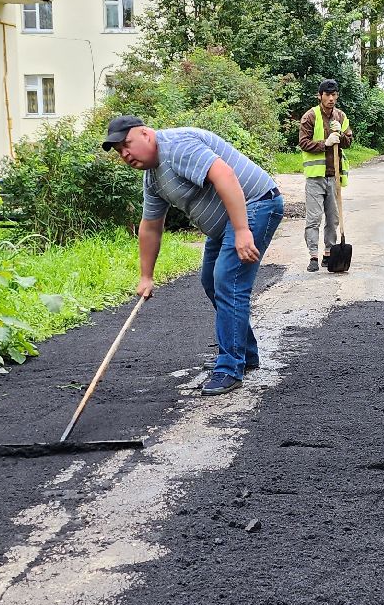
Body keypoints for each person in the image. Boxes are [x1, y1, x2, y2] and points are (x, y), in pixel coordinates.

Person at [103, 115, 284, 396]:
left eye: (127, 144)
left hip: (256, 203)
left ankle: (229, 367)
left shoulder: (176, 147)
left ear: (146, 134)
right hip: (226, 222)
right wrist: (146, 276)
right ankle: (244, 353)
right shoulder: (153, 177)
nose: (125, 154)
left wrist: (242, 230)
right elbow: (151, 226)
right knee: (211, 281)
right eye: (119, 151)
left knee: (228, 280)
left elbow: (224, 175)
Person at [297, 79, 351, 273]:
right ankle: (313, 255)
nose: (331, 98)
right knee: (313, 218)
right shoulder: (309, 117)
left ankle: (329, 253)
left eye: (334, 94)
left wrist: (341, 135)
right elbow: (303, 143)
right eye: (327, 95)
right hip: (315, 177)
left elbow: (348, 142)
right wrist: (325, 143)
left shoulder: (341, 117)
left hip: (334, 176)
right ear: (320, 96)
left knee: (333, 219)